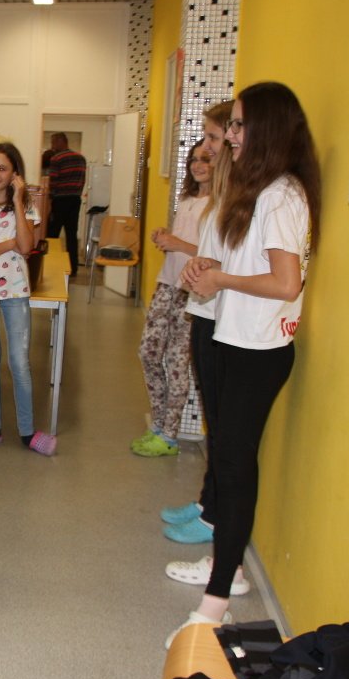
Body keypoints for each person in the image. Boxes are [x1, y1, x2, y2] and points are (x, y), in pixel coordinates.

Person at [164, 82, 321, 648]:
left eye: (237, 125)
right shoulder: (258, 190)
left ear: (266, 131)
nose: (229, 136)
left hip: (258, 350)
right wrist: (205, 268)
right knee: (228, 462)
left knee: (234, 468)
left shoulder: (282, 195)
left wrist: (222, 278)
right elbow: (237, 261)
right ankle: (224, 570)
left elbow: (285, 282)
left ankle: (215, 605)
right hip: (233, 338)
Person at [159, 100, 233, 545]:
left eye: (213, 139)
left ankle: (214, 518)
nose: (205, 148)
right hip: (202, 309)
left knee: (225, 431)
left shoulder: (240, 199)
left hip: (224, 318)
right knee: (215, 423)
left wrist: (210, 269)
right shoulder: (210, 199)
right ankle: (207, 504)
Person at [0, 142, 55, 457]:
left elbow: (27, 246)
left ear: (14, 174)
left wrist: (17, 200)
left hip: (15, 291)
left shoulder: (24, 206)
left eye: (2, 168)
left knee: (19, 362)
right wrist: (9, 243)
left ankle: (28, 432)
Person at [131, 141, 214, 458]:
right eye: (194, 159)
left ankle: (169, 435)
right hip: (167, 284)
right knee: (148, 352)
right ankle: (159, 423)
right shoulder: (187, 199)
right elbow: (184, 243)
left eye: (205, 159)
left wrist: (176, 242)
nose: (198, 165)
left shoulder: (219, 205)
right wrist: (166, 237)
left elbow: (214, 254)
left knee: (178, 363)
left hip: (193, 292)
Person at [46, 132, 87, 275]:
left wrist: (50, 201)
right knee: (71, 235)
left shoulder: (56, 159)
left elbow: (53, 182)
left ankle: (49, 265)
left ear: (60, 141)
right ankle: (73, 268)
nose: (52, 146)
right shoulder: (81, 158)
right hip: (75, 200)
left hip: (60, 200)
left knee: (52, 234)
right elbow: (82, 180)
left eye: (53, 142)